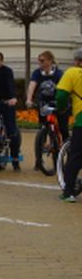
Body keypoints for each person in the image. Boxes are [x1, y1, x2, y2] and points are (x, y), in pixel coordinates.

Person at [55, 49, 82, 202]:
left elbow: (61, 95)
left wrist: (61, 108)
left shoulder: (72, 72)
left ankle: (69, 192)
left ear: (77, 61)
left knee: (75, 156)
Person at [27, 50, 66, 143]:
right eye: (39, 61)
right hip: (44, 103)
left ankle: (67, 148)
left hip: (57, 102)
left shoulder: (58, 73)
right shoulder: (37, 73)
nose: (40, 63)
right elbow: (32, 85)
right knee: (43, 127)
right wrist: (29, 99)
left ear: (50, 61)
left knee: (63, 128)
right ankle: (41, 148)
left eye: (42, 61)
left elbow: (64, 88)